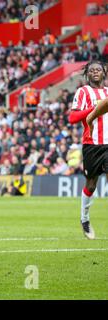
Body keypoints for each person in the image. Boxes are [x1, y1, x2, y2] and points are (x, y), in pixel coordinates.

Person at [68, 60, 108, 240]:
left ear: (104, 72)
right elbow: (72, 118)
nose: (95, 72)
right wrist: (95, 108)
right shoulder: (83, 92)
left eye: (98, 69)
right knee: (91, 185)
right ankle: (84, 219)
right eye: (91, 70)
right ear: (87, 74)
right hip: (91, 144)